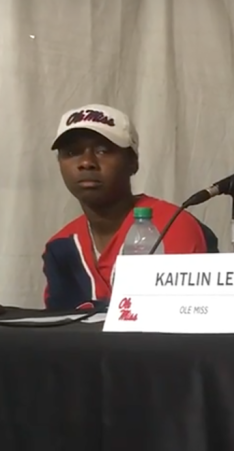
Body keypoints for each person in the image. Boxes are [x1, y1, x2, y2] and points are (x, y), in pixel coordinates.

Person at [43, 104, 219, 311]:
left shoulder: (170, 225)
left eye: (102, 150)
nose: (86, 162)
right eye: (72, 152)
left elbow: (186, 321)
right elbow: (56, 329)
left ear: (133, 162)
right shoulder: (61, 246)